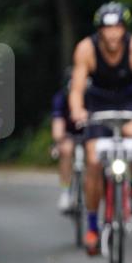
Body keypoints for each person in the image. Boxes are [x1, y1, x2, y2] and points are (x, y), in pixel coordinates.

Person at [68, 1, 132, 256]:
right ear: (99, 30)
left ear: (125, 29)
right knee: (93, 161)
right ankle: (92, 226)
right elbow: (77, 88)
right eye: (107, 28)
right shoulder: (86, 49)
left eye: (118, 28)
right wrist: (78, 111)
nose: (113, 34)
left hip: (127, 102)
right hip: (97, 105)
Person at [51, 67, 77, 212]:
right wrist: (58, 139)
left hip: (90, 131)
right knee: (66, 150)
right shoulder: (60, 98)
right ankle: (66, 192)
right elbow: (58, 122)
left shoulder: (92, 95)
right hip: (69, 133)